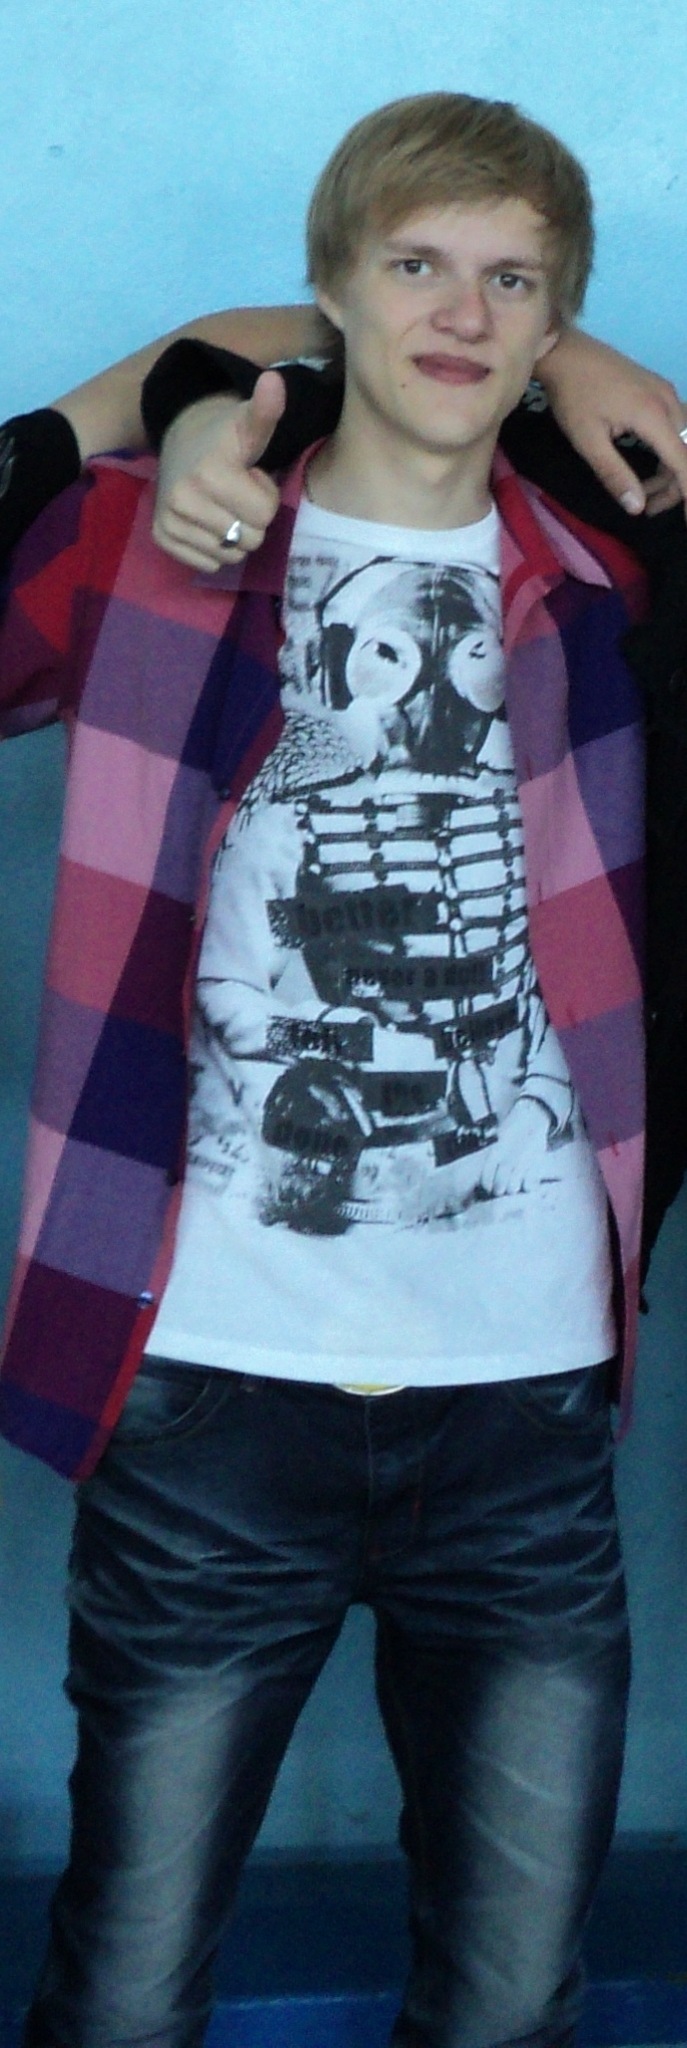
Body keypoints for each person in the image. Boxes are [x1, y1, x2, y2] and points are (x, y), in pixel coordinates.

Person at [1, 88, 687, 2048]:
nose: (462, 315)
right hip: (207, 1392)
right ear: (327, 289)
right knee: (123, 1995)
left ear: (559, 317)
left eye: (514, 283)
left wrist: (572, 361)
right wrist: (154, 409)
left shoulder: (617, 580)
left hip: (524, 1411)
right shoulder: (149, 544)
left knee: (512, 2005)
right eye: (415, 267)